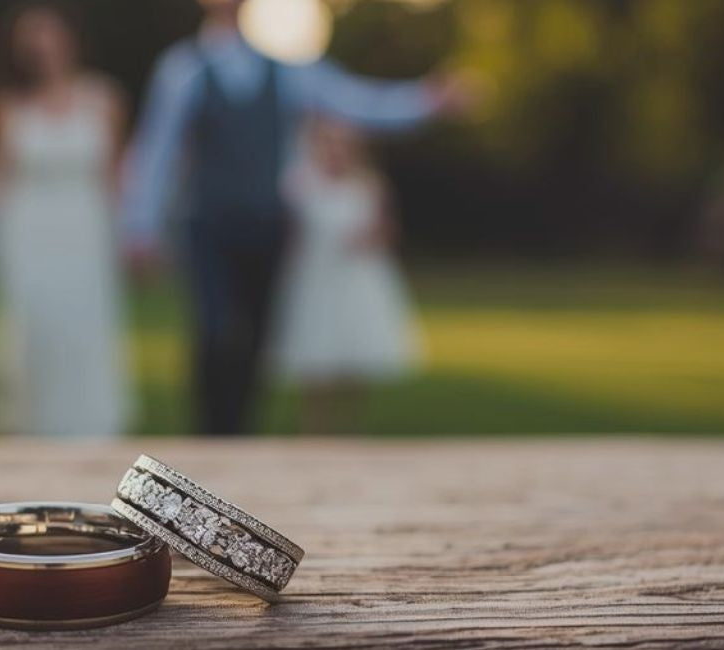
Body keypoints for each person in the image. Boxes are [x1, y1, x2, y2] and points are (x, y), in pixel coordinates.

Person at [119, 0, 469, 436]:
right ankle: (210, 438)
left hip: (269, 226)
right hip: (209, 224)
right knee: (217, 332)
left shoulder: (287, 71)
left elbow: (355, 102)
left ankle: (241, 442)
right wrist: (139, 226)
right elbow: (158, 150)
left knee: (257, 343)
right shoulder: (183, 69)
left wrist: (427, 99)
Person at [0, 2, 133, 440]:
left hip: (85, 233)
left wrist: (138, 236)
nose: (39, 44)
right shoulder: (3, 105)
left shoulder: (104, 99)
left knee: (84, 332)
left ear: (68, 37)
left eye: (47, 32)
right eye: (29, 36)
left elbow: (119, 177)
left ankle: (89, 438)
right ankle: (27, 435)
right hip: (27, 234)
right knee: (32, 334)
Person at [276, 117, 418, 435]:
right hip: (315, 277)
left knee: (356, 351)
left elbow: (388, 230)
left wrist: (372, 238)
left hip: (359, 278)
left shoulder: (369, 185)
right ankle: (314, 426)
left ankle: (350, 428)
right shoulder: (299, 185)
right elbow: (288, 234)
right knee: (314, 352)